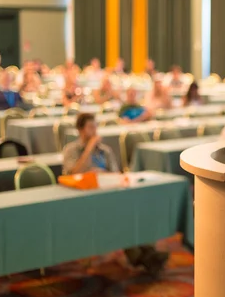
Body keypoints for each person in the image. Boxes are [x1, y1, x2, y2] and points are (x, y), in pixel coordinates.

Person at [62, 113, 168, 275]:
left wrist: (103, 174)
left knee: (135, 210)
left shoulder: (105, 151)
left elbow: (117, 175)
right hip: (86, 199)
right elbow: (71, 174)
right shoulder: (71, 150)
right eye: (90, 127)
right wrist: (89, 149)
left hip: (110, 193)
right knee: (120, 217)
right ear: (80, 130)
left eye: (95, 126)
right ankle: (144, 257)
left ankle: (146, 254)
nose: (94, 131)